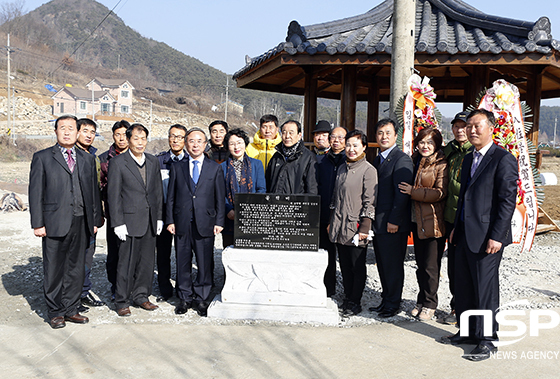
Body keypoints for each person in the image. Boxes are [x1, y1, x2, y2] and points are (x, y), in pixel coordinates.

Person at [439, 109, 518, 362]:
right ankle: (468, 331)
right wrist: (454, 229)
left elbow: (507, 202)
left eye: (477, 126)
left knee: (485, 289)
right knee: (463, 285)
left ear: (490, 127)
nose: (472, 130)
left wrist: (497, 235)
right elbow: (463, 197)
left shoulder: (502, 158)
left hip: (488, 237)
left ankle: (487, 340)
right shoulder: (467, 158)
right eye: (469, 126)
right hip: (463, 233)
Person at [29, 115, 102, 329]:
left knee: (76, 268)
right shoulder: (43, 157)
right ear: (56, 132)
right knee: (54, 269)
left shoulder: (87, 159)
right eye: (63, 128)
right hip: (54, 222)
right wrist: (37, 223)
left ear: (78, 132)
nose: (67, 132)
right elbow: (35, 192)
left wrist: (95, 219)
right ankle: (55, 311)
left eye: (71, 128)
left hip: (82, 221)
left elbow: (93, 192)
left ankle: (71, 308)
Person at [166, 127, 226, 317]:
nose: (195, 145)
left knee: (204, 262)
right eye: (191, 141)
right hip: (182, 221)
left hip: (206, 222)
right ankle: (184, 297)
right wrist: (169, 220)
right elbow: (171, 197)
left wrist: (219, 221)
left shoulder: (214, 167)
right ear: (186, 143)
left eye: (199, 141)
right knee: (183, 261)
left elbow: (219, 197)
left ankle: (201, 298)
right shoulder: (177, 166)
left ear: (205, 144)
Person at [107, 123, 164, 317]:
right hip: (128, 222)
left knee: (146, 262)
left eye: (143, 139)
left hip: (149, 220)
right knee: (126, 263)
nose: (140, 143)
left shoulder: (153, 161)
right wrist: (117, 222)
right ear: (128, 140)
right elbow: (113, 195)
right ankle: (121, 300)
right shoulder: (118, 163)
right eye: (136, 139)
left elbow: (157, 192)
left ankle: (141, 296)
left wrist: (159, 218)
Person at [398, 128, 448, 321]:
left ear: (436, 144)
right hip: (416, 220)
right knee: (420, 265)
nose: (425, 146)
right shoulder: (414, 159)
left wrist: (413, 192)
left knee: (430, 266)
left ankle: (430, 304)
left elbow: (440, 193)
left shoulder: (441, 163)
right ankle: (421, 299)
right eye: (421, 142)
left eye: (429, 143)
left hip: (433, 221)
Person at [328, 130, 377, 316]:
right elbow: (335, 197)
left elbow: (369, 200)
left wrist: (365, 226)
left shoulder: (368, 170)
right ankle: (347, 297)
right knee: (345, 265)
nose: (351, 149)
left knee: (357, 265)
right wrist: (331, 221)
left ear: (364, 147)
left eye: (355, 145)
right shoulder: (342, 167)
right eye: (348, 145)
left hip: (356, 226)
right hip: (339, 224)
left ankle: (355, 301)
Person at [369, 119, 413, 318]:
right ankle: (386, 300)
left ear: (396, 135)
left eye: (388, 133)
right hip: (379, 223)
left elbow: (402, 194)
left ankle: (393, 303)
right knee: (383, 263)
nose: (383, 137)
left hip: (393, 224)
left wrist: (394, 220)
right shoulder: (377, 159)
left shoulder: (401, 159)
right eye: (380, 133)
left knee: (393, 266)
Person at [442, 111, 473, 325]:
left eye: (464, 126)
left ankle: (470, 309)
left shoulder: (476, 153)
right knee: (452, 266)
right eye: (456, 126)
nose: (460, 130)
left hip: (468, 219)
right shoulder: (448, 151)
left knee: (468, 266)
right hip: (449, 216)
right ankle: (456, 306)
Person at [154, 124, 188, 302]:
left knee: (184, 252)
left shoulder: (191, 161)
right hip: (163, 213)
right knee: (163, 253)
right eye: (172, 136)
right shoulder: (158, 161)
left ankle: (184, 288)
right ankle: (165, 289)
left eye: (180, 137)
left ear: (185, 140)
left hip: (184, 214)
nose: (175, 140)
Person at [75, 118, 105, 311]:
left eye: (92, 132)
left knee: (87, 257)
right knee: (74, 259)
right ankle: (71, 298)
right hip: (74, 216)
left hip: (90, 216)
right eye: (85, 131)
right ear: (77, 132)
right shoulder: (72, 155)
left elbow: (95, 189)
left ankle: (83, 293)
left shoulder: (93, 155)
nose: (89, 135)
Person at [99, 120, 130, 300]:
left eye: (125, 134)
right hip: (114, 214)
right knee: (115, 252)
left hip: (134, 213)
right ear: (113, 136)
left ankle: (131, 285)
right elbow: (99, 186)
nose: (121, 138)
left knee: (132, 251)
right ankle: (115, 286)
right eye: (117, 134)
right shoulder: (104, 159)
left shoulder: (138, 156)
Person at [221, 128, 266, 248]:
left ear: (245, 144)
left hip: (252, 217)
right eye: (232, 144)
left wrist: (249, 209)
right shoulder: (221, 167)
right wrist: (228, 209)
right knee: (230, 252)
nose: (236, 147)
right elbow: (220, 193)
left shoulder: (256, 164)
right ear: (227, 146)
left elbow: (261, 189)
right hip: (230, 218)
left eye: (239, 142)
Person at [317, 126, 347, 297]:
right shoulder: (320, 161)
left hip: (343, 217)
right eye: (333, 137)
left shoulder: (349, 161)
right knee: (325, 254)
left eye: (340, 137)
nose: (336, 140)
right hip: (323, 216)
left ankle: (349, 295)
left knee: (344, 257)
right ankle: (328, 289)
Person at [265, 120, 318, 195]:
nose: (287, 136)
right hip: (275, 203)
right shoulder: (277, 156)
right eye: (284, 132)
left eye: (291, 133)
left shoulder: (308, 157)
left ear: (299, 135)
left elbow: (312, 189)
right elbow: (268, 182)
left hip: (296, 204)